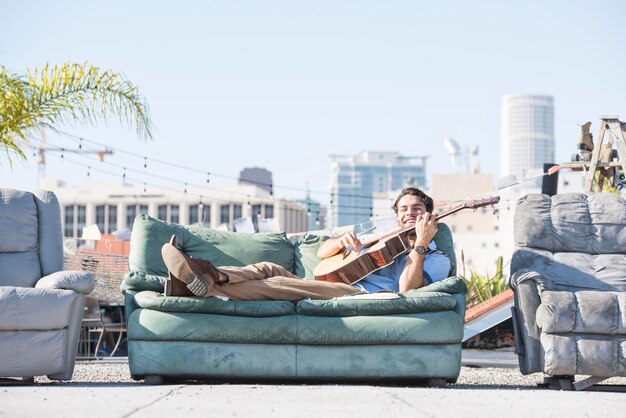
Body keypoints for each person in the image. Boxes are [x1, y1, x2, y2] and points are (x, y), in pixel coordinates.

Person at [162, 187, 451, 301]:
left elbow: (406, 289)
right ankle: (208, 274)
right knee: (267, 267)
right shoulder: (381, 240)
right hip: (324, 280)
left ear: (429, 215)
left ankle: (194, 285)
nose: (409, 213)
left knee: (274, 285)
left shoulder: (436, 258)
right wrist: (340, 242)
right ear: (397, 216)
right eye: (403, 209)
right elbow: (325, 254)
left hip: (354, 292)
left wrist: (420, 246)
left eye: (416, 209)